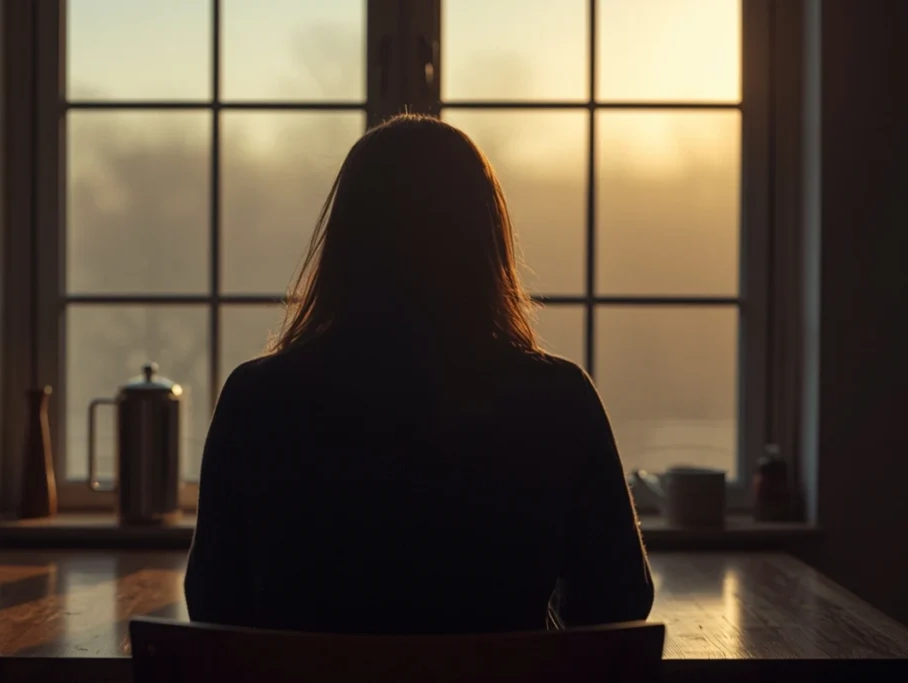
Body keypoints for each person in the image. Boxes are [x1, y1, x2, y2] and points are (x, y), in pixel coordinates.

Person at [185, 113, 654, 634]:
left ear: (345, 239)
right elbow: (620, 601)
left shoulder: (256, 399)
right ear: (485, 238)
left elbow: (212, 604)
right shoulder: (559, 400)